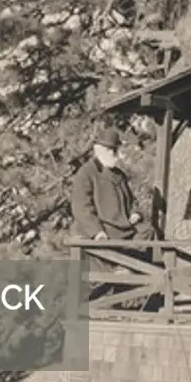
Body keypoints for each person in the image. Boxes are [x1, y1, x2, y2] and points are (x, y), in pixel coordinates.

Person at [71, 127, 157, 308]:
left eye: (115, 149)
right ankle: (124, 270)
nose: (115, 154)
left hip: (125, 228)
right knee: (105, 253)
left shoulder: (119, 175)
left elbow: (131, 201)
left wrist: (135, 213)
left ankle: (130, 268)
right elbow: (81, 207)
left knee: (148, 231)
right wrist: (96, 232)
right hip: (106, 230)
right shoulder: (86, 174)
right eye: (110, 150)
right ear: (98, 149)